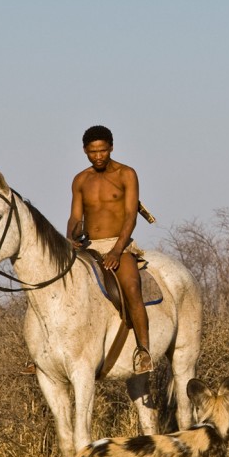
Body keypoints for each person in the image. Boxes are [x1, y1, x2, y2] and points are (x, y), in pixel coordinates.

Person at [68, 125, 153, 373]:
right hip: (89, 246)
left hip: (120, 243)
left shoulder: (126, 174)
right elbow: (74, 217)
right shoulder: (80, 180)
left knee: (131, 285)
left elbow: (130, 216)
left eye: (103, 150)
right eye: (92, 152)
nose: (98, 156)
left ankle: (144, 351)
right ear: (85, 150)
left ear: (111, 147)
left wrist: (117, 251)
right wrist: (70, 237)